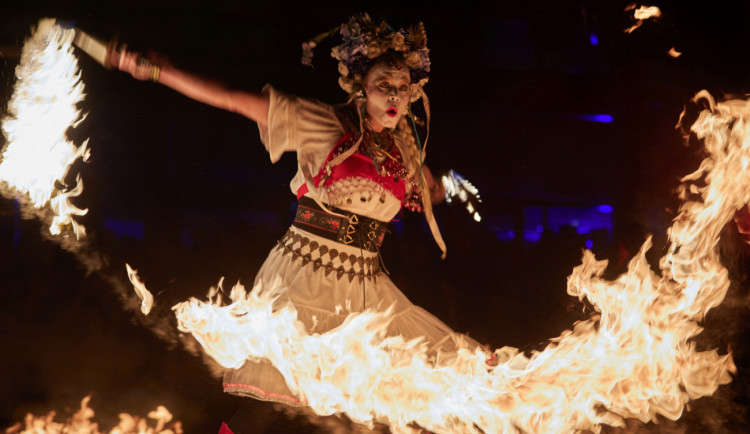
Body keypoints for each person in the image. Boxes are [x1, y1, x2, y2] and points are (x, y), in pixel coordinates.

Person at [111, 13, 478, 432]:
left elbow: (427, 187)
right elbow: (232, 98)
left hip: (366, 287)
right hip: (305, 276)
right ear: (362, 86)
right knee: (263, 409)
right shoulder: (327, 124)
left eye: (402, 87)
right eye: (384, 84)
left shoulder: (403, 149)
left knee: (376, 409)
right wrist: (159, 70)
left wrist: (443, 188)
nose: (395, 94)